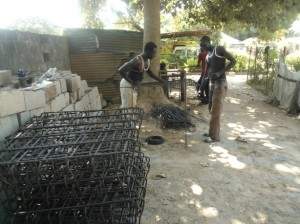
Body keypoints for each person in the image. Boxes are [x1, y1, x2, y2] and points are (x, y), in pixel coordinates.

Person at [200, 36, 236, 142]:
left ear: (208, 42)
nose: (202, 47)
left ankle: (214, 137)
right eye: (201, 45)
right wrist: (202, 87)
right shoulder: (208, 55)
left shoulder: (219, 49)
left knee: (216, 110)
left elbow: (233, 61)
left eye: (203, 44)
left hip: (220, 83)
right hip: (212, 83)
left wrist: (220, 72)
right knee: (211, 108)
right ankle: (212, 132)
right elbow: (206, 73)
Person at [118, 42, 165, 108]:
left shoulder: (147, 61)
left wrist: (161, 80)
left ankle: (130, 117)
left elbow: (150, 73)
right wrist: (131, 82)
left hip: (133, 85)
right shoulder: (137, 60)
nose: (155, 55)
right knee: (127, 106)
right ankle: (126, 118)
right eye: (154, 52)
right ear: (148, 51)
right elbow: (120, 70)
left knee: (133, 105)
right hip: (127, 84)